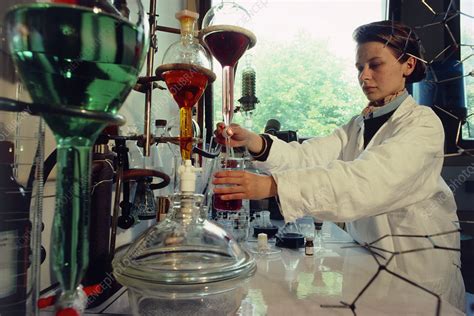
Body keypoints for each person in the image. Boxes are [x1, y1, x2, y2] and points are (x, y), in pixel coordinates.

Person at [213, 20, 465, 310]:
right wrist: (254, 141)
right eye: (360, 67)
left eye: (375, 65)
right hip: (370, 264)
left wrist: (273, 186)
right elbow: (309, 156)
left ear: (408, 65)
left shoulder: (423, 125)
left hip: (418, 270)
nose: (364, 76)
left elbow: (368, 181)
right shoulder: (359, 125)